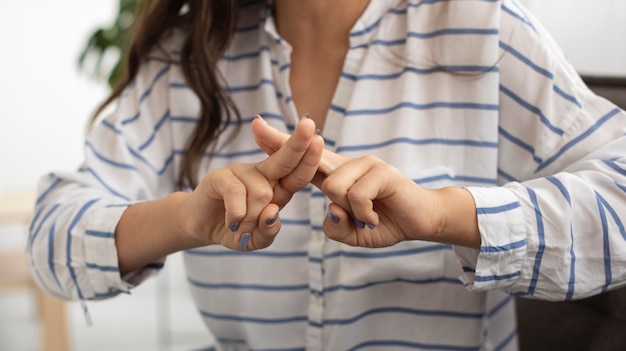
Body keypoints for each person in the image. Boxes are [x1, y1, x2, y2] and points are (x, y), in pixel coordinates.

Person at [27, 0, 626, 350]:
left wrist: (446, 216)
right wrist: (184, 217)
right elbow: (52, 240)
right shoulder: (185, 61)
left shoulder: (485, 30)